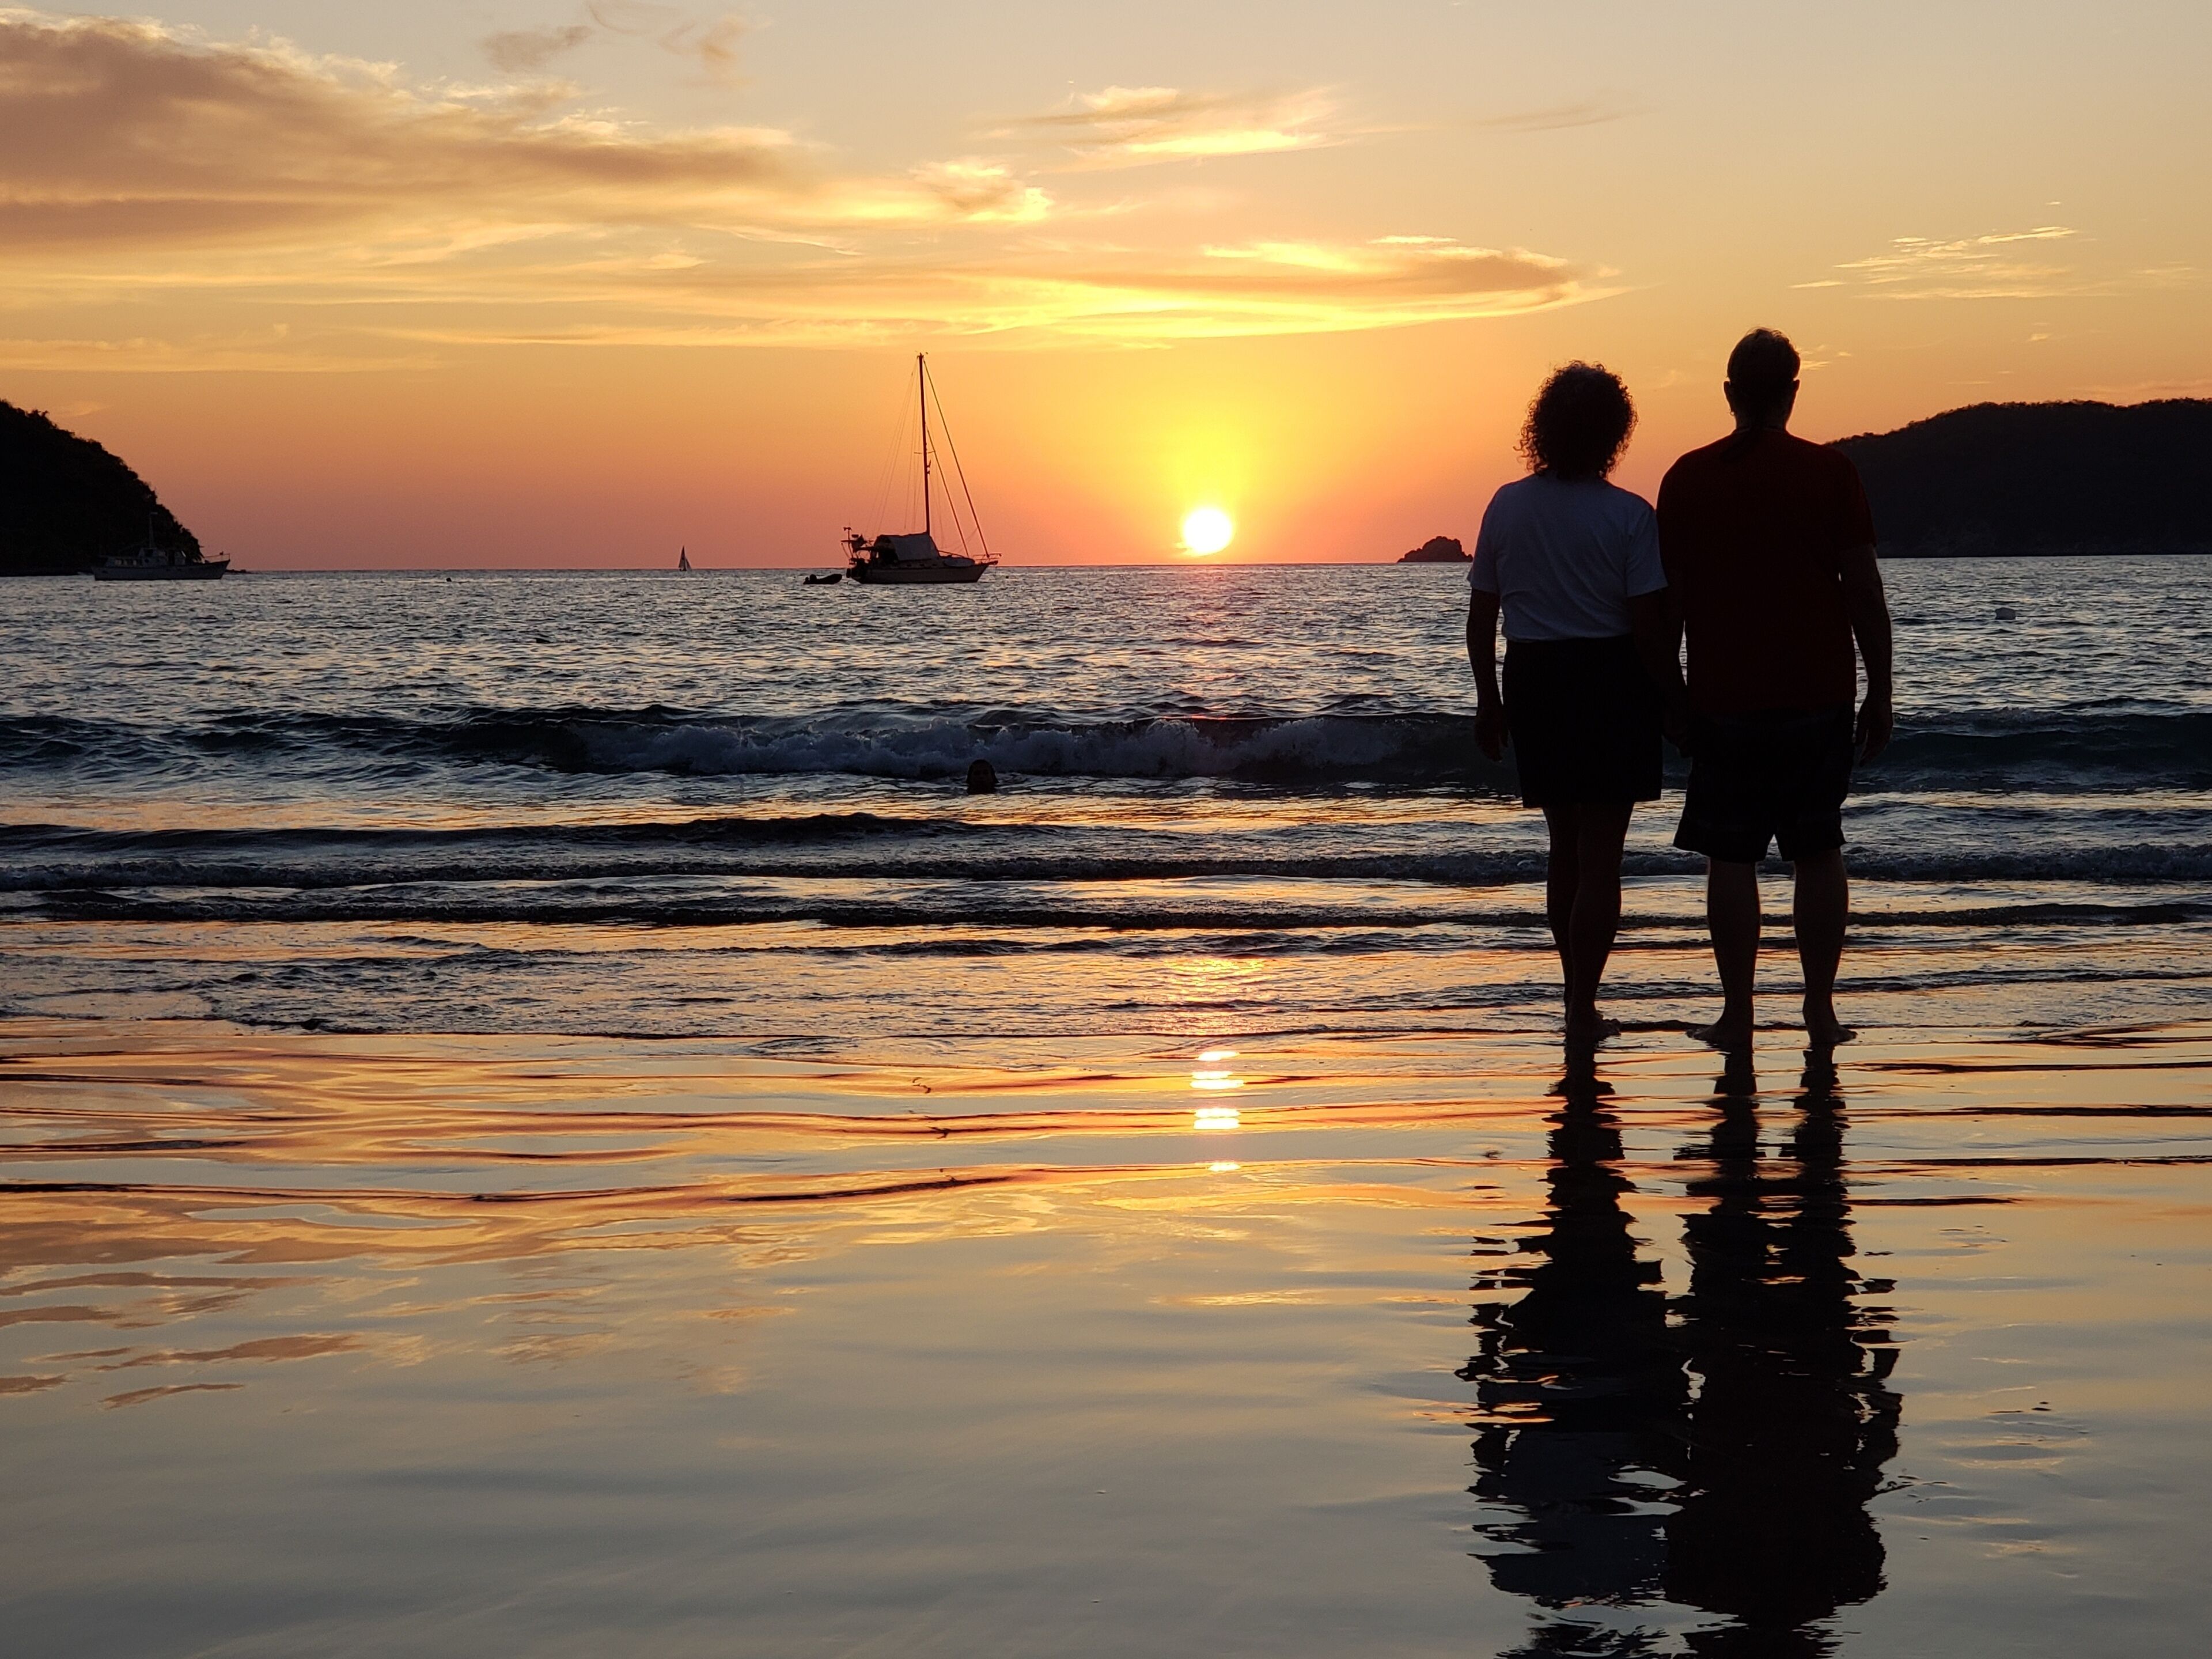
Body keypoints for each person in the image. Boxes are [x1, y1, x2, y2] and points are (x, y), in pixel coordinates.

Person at [1653, 328, 1895, 1049]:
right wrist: (1880, 688)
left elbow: (1667, 602)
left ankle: (1738, 1013)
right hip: (1818, 694)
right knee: (1818, 850)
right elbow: (1863, 588)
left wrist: (1669, 692)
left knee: (1731, 858)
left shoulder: (1687, 479)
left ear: (1729, 395)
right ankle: (1819, 1011)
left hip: (1725, 698)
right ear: (1793, 392)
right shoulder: (1832, 474)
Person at [1467, 363, 1677, 1044]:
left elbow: (1481, 621)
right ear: (1614, 433)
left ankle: (1573, 993)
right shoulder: (1629, 516)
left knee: (1564, 845)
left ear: (1545, 427)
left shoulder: (1507, 505)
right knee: (1602, 855)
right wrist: (1676, 701)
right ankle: (1583, 1000)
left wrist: (1489, 700)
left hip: (1536, 674)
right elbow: (1648, 632)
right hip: (1611, 676)